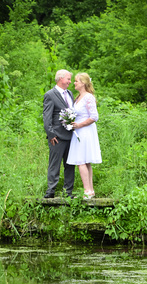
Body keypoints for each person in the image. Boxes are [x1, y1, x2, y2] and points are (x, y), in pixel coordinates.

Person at [66, 73, 102, 199]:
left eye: (76, 81)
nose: (74, 83)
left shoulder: (88, 97)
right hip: (79, 131)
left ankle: (87, 191)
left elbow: (94, 116)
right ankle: (90, 191)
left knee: (81, 161)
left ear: (83, 83)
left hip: (85, 131)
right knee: (84, 161)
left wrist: (79, 125)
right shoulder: (78, 97)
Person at [43, 69, 75, 199]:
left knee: (70, 165)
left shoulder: (70, 94)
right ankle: (51, 191)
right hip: (57, 137)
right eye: (68, 79)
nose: (70, 81)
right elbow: (47, 117)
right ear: (61, 79)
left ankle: (68, 192)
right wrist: (51, 135)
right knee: (54, 164)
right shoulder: (50, 94)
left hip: (71, 135)